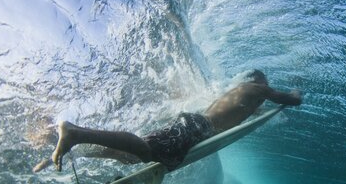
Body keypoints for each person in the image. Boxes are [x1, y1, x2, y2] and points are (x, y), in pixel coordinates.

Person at [33, 70, 302, 173]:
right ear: (259, 82)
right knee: (144, 151)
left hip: (193, 125)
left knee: (130, 157)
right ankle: (76, 134)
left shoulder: (240, 94)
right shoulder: (259, 90)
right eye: (265, 84)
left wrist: (256, 113)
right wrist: (298, 90)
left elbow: (239, 113)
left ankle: (72, 153)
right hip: (198, 128)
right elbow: (292, 99)